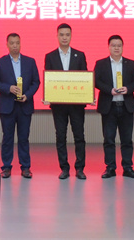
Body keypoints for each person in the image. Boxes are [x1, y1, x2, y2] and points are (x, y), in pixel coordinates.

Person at [0, 33, 40, 179]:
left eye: (17, 43)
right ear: (7, 45)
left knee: (24, 138)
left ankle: (25, 167)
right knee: (7, 137)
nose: (15, 46)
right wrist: (8, 88)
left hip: (25, 105)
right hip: (7, 106)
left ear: (20, 44)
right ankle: (6, 167)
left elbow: (36, 82)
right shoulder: (0, 62)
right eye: (12, 43)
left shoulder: (30, 62)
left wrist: (27, 95)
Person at [44, 23, 89, 180]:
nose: (64, 37)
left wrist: (87, 95)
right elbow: (48, 79)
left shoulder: (80, 55)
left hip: (76, 104)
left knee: (79, 136)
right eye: (61, 34)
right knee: (60, 136)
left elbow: (84, 79)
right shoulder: (50, 56)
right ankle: (64, 168)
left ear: (71, 36)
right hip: (58, 105)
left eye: (67, 34)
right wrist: (47, 95)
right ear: (57, 36)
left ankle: (80, 168)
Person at [94, 35, 134, 179]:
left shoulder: (130, 63)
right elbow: (96, 81)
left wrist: (128, 89)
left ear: (122, 47)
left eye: (119, 45)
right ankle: (110, 168)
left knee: (127, 139)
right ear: (108, 47)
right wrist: (109, 90)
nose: (116, 48)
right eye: (113, 45)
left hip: (126, 106)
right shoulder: (101, 63)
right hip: (109, 106)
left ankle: (128, 168)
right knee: (109, 139)